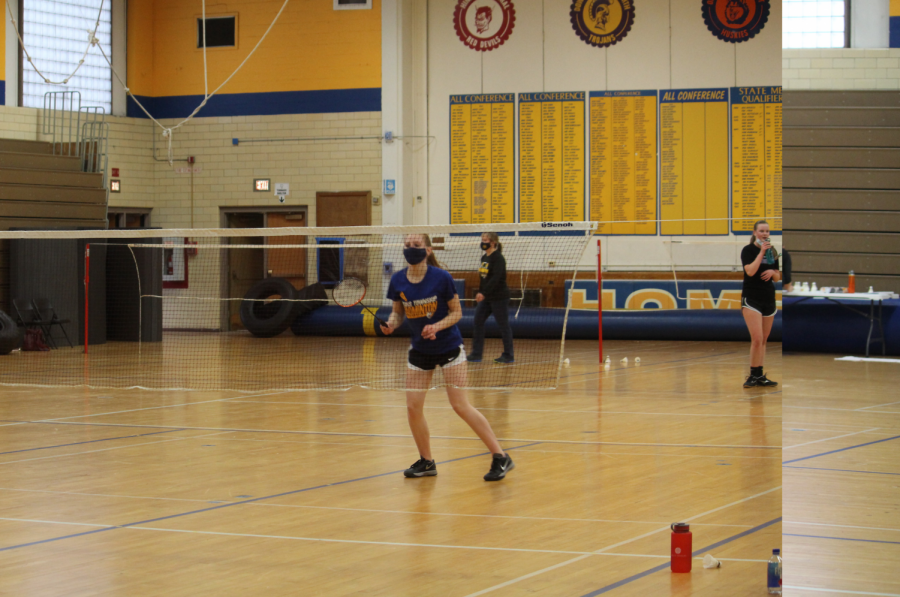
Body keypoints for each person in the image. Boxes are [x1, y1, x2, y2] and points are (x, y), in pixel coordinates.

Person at [381, 234, 515, 481]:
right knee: (412, 408)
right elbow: (397, 314)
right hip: (420, 351)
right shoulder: (398, 280)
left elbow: (457, 313)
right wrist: (391, 324)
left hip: (449, 348)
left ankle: (500, 456)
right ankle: (427, 461)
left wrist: (437, 327)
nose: (411, 249)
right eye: (407, 245)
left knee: (460, 406)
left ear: (428, 249)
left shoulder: (441, 278)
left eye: (417, 245)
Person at [741, 220, 781, 388]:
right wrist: (761, 253)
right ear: (754, 232)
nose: (765, 234)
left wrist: (773, 271)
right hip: (752, 298)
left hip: (768, 298)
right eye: (762, 231)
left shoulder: (773, 252)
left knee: (764, 339)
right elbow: (749, 271)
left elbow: (778, 277)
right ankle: (751, 374)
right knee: (756, 338)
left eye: (767, 231)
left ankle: (760, 375)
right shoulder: (748, 250)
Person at [469, 232, 514, 364]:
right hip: (487, 298)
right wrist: (480, 292)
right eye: (482, 239)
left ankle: (508, 355)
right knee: (478, 321)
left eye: (486, 240)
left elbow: (496, 278)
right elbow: (483, 278)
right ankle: (476, 354)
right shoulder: (484, 258)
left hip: (499, 297)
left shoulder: (498, 258)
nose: (483, 242)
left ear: (493, 242)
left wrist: (484, 292)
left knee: (503, 325)